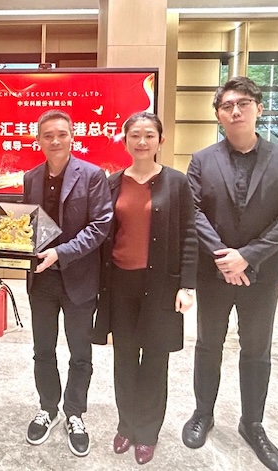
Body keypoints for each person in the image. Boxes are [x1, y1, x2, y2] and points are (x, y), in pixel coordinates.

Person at [182, 76, 278, 471]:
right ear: (218, 115)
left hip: (262, 273)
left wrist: (247, 257)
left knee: (257, 350)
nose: (235, 111)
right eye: (227, 106)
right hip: (214, 271)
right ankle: (203, 413)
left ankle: (253, 424)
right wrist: (225, 257)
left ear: (259, 108)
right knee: (208, 345)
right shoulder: (202, 159)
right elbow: (193, 211)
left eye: (243, 103)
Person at [92, 112, 197, 465]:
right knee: (124, 358)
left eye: (149, 135)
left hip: (160, 285)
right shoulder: (112, 183)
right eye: (135, 135)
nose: (141, 141)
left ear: (160, 141)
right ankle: (127, 425)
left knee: (154, 359)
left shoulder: (177, 183)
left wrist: (187, 285)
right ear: (125, 141)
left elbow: (189, 234)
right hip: (119, 283)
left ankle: (148, 432)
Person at [23, 109, 113, 457]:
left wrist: (61, 253)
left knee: (80, 353)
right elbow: (28, 226)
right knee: (43, 350)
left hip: (79, 279)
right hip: (42, 281)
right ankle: (48, 408)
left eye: (62, 134)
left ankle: (75, 412)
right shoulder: (31, 177)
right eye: (48, 135)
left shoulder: (92, 175)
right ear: (38, 140)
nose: (55, 140)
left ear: (72, 137)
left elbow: (100, 225)